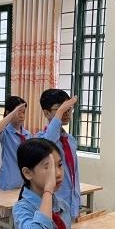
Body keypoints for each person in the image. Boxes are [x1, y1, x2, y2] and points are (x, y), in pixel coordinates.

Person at [37, 90, 81, 219]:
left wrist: (77, 201)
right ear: (46, 113)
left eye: (69, 109)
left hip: (71, 203)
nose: (66, 112)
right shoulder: (39, 139)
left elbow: (74, 175)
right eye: (61, 109)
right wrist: (61, 111)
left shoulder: (70, 140)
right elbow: (48, 145)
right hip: (53, 205)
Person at [0, 96, 30, 190]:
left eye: (23, 112)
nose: (22, 116)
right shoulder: (5, 132)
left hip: (24, 182)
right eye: (18, 112)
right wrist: (12, 113)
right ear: (9, 113)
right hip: (8, 181)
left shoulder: (27, 134)